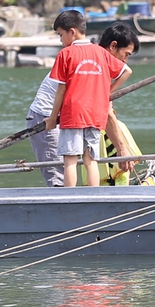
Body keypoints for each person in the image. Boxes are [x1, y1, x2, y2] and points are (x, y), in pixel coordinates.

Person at [44, 11, 120, 187]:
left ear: (72, 32)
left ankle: (68, 198)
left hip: (72, 114)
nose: (61, 40)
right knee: (91, 160)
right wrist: (107, 92)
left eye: (61, 35)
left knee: (70, 160)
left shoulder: (66, 54)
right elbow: (125, 71)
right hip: (95, 114)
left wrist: (52, 117)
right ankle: (93, 196)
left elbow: (61, 91)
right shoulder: (101, 52)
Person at [24, 10, 86, 188]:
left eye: (60, 35)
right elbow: (62, 90)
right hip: (44, 115)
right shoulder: (69, 55)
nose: (60, 41)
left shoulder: (84, 53)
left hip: (59, 116)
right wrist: (52, 119)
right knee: (57, 172)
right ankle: (63, 206)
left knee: (67, 166)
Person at [97, 23, 141, 182]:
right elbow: (106, 114)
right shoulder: (98, 66)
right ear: (113, 46)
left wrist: (107, 93)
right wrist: (122, 149)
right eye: (126, 54)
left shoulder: (99, 62)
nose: (126, 60)